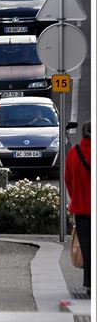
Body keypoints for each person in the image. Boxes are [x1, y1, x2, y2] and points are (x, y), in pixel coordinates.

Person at [65, 121, 91, 296]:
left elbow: (68, 179)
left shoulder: (74, 153)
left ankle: (89, 282)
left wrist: (76, 198)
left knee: (87, 246)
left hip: (82, 209)